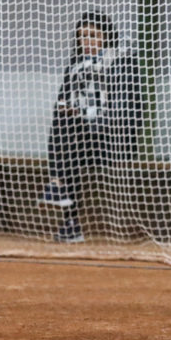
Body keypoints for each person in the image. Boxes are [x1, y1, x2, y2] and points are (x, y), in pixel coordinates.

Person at [40, 12, 141, 243]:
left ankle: (58, 187)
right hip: (81, 139)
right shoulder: (76, 66)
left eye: (93, 35)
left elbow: (122, 111)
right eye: (82, 36)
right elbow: (62, 103)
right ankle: (69, 217)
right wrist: (72, 111)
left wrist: (84, 113)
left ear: (107, 37)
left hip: (115, 138)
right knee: (65, 126)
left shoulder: (122, 62)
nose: (87, 41)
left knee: (69, 142)